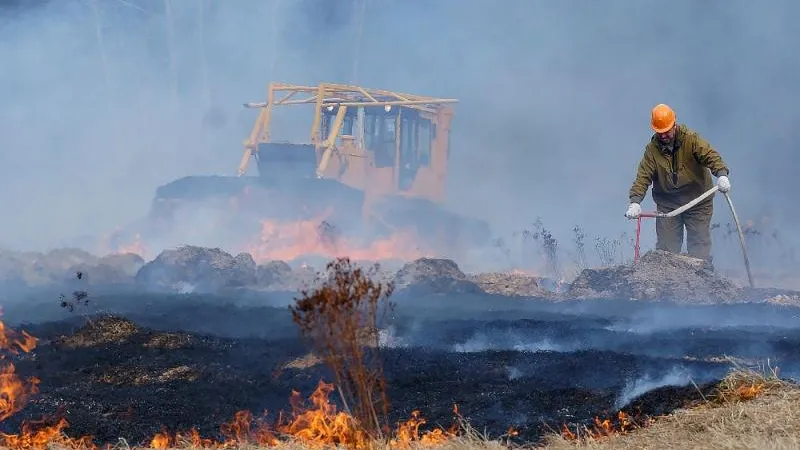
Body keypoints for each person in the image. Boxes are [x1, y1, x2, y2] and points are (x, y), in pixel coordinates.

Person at [624, 103, 731, 262]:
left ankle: (702, 281)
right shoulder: (652, 151)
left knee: (699, 247)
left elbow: (711, 156)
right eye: (660, 133)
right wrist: (635, 201)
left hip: (698, 201)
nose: (663, 136)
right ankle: (667, 285)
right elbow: (643, 177)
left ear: (674, 124)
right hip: (669, 205)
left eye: (666, 132)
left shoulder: (691, 140)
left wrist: (721, 174)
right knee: (666, 252)